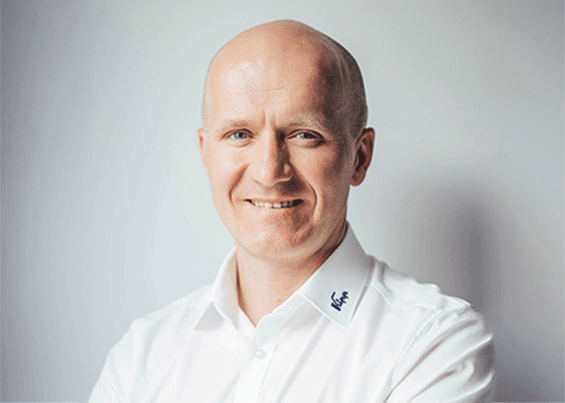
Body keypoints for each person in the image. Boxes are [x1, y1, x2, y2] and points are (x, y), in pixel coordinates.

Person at [89, 20, 495, 402]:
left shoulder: (434, 343)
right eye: (239, 134)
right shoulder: (141, 355)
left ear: (359, 157)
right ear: (206, 153)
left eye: (304, 135)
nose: (269, 171)